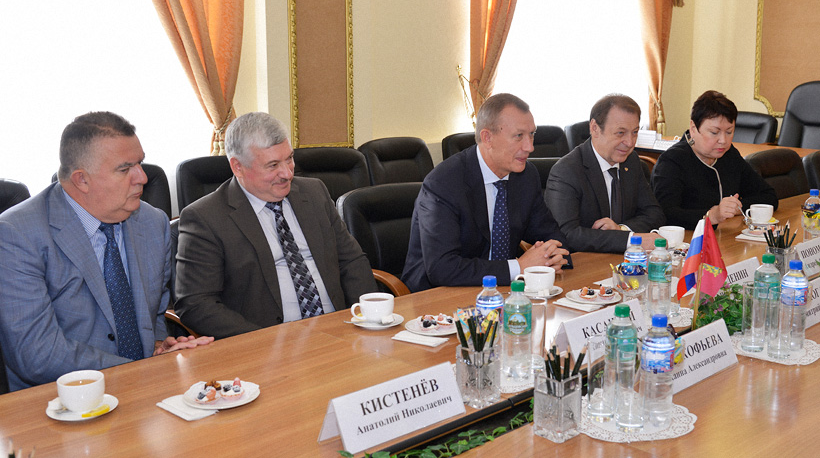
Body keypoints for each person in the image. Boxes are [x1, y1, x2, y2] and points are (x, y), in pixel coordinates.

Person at [0, 112, 211, 392]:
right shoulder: (17, 234)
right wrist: (139, 370)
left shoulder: (152, 222)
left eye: (140, 163)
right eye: (125, 169)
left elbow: (156, 314)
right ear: (81, 180)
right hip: (60, 399)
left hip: (145, 390)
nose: (142, 177)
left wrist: (161, 347)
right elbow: (37, 354)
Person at [175, 112, 376, 339]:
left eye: (289, 159)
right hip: (266, 341)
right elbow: (196, 303)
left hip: (339, 329)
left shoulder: (314, 193)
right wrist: (266, 341)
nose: (287, 173)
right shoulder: (205, 218)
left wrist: (368, 317)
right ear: (237, 167)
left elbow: (352, 260)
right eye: (272, 165)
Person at [402, 93, 570, 292]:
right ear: (487, 138)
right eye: (519, 136)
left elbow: (551, 235)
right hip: (438, 295)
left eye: (532, 134)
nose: (530, 147)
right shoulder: (443, 184)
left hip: (505, 291)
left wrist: (552, 256)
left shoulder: (525, 176)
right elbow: (442, 268)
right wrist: (519, 267)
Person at [545, 94, 665, 253]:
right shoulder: (567, 171)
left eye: (635, 132)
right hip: (585, 261)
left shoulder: (631, 161)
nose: (630, 142)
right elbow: (567, 234)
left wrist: (621, 229)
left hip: (623, 260)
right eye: (620, 133)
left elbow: (654, 213)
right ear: (595, 128)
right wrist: (629, 240)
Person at [651, 90, 778, 230]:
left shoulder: (729, 155)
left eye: (729, 132)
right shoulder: (672, 161)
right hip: (688, 240)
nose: (723, 140)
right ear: (693, 128)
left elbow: (769, 196)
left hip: (725, 236)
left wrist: (735, 207)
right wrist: (711, 216)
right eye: (714, 132)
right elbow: (665, 214)